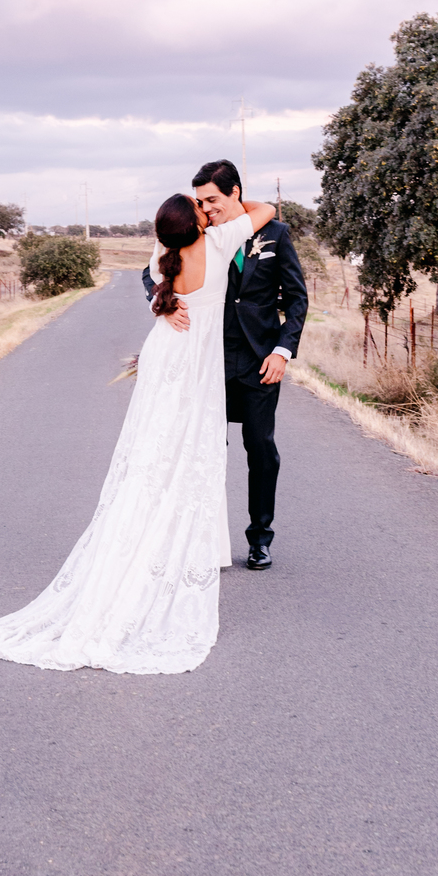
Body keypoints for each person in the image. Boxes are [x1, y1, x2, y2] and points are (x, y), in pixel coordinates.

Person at [0, 189, 276, 675]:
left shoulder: (164, 253)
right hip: (194, 367)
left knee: (151, 455)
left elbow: (158, 288)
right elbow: (268, 211)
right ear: (196, 223)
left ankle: (148, 535)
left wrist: (165, 303)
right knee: (188, 452)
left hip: (163, 355)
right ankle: (168, 542)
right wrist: (230, 203)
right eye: (201, 207)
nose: (207, 210)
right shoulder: (217, 243)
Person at [143, 159, 307, 571]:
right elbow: (150, 274)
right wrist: (162, 304)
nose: (207, 207)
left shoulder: (275, 234)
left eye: (212, 199)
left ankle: (259, 539)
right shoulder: (198, 232)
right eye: (200, 201)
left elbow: (298, 299)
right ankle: (200, 538)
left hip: (259, 361)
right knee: (205, 449)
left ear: (235, 192)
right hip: (206, 362)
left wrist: (282, 351)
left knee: (261, 450)